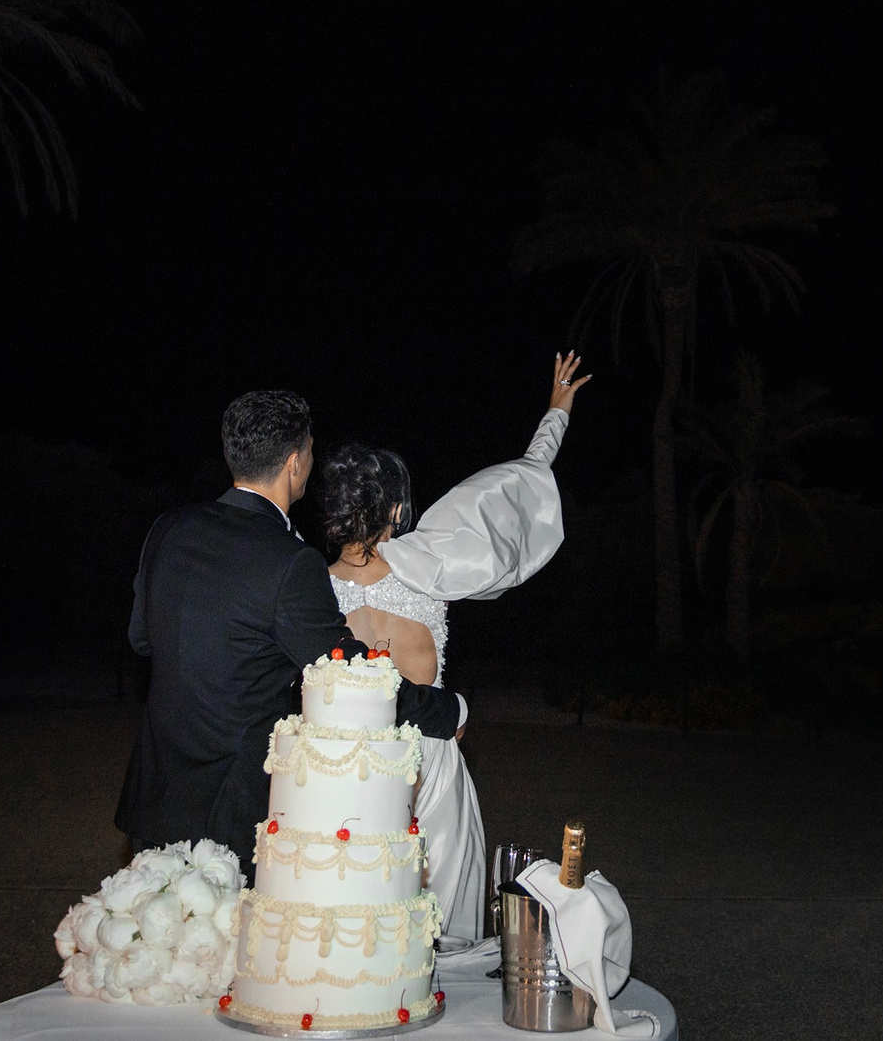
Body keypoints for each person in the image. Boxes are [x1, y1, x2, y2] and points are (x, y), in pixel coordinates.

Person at [115, 389, 466, 881]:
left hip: (152, 793)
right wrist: (450, 710)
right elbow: (352, 676)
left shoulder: (169, 528)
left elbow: (142, 641)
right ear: (295, 462)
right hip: (230, 812)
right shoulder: (290, 561)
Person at [323, 352, 589, 943]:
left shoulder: (307, 592)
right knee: (443, 935)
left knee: (352, 932)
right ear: (395, 508)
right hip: (432, 771)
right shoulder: (427, 561)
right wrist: (557, 414)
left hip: (337, 779)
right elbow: (517, 489)